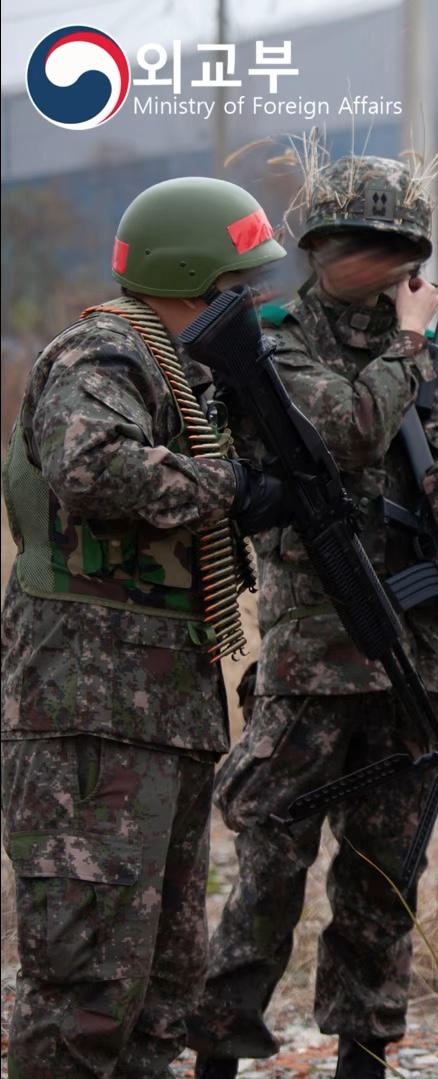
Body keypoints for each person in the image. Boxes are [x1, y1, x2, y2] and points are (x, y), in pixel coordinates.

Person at [185, 154, 438, 1079]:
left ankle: (363, 1052)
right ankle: (221, 1050)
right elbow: (347, 429)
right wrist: (409, 346)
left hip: (406, 660)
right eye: (355, 246)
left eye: (396, 247)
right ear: (316, 249)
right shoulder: (270, 342)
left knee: (382, 879)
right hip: (312, 662)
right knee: (268, 868)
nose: (376, 263)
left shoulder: (429, 361)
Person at [2, 177, 288, 1078]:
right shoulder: (103, 353)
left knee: (162, 989)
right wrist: (230, 487)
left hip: (159, 705)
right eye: (241, 283)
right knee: (85, 986)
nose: (252, 301)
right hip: (89, 708)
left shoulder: (183, 369)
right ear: (199, 278)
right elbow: (91, 466)